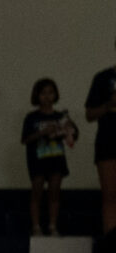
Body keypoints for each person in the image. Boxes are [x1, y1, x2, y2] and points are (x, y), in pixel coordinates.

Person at [27, 78, 78, 235]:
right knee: (37, 192)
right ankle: (36, 226)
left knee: (55, 191)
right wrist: (43, 132)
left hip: (56, 159)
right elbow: (25, 139)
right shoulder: (32, 118)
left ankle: (52, 225)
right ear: (37, 95)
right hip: (38, 160)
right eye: (43, 93)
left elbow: (74, 136)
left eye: (50, 92)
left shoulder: (61, 116)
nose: (47, 97)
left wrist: (67, 129)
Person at [90, 43, 116, 235]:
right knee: (110, 196)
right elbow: (89, 114)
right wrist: (109, 105)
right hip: (108, 142)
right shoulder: (102, 78)